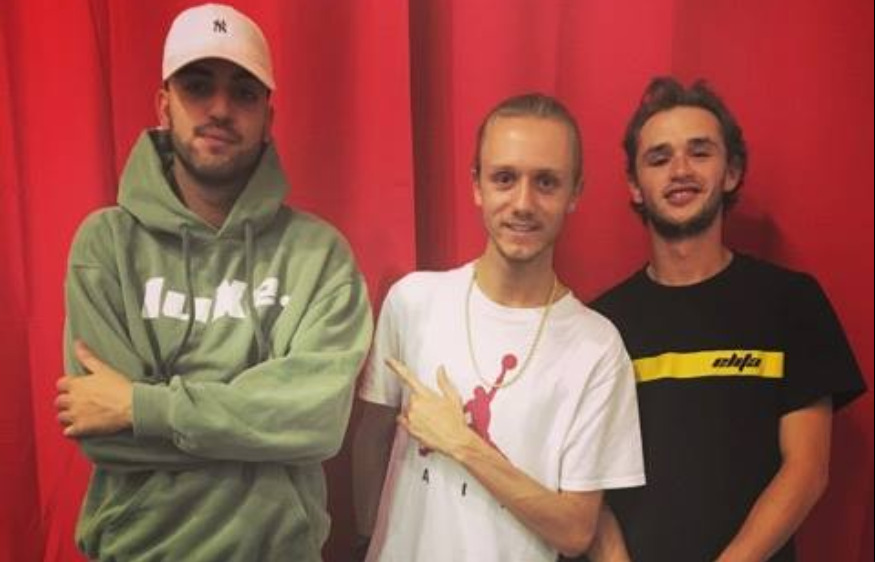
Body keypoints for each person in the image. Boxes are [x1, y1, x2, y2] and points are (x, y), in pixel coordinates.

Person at [54, 4, 372, 561]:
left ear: (268, 117)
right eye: (198, 86)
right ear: (164, 105)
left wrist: (142, 407)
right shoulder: (105, 245)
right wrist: (261, 425)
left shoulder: (319, 255)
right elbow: (102, 433)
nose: (220, 109)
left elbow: (317, 422)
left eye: (244, 93)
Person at [352, 93, 645, 562]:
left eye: (546, 182)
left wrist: (462, 443)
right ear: (477, 186)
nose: (523, 203)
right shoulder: (413, 301)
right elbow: (370, 439)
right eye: (504, 178)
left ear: (574, 193)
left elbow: (575, 531)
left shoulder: (597, 347)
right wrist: (371, 540)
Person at [584, 77, 866, 562]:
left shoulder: (790, 301)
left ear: (731, 171)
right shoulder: (599, 325)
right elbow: (587, 484)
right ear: (635, 185)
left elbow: (807, 470)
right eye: (659, 158)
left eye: (700, 152)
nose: (680, 171)